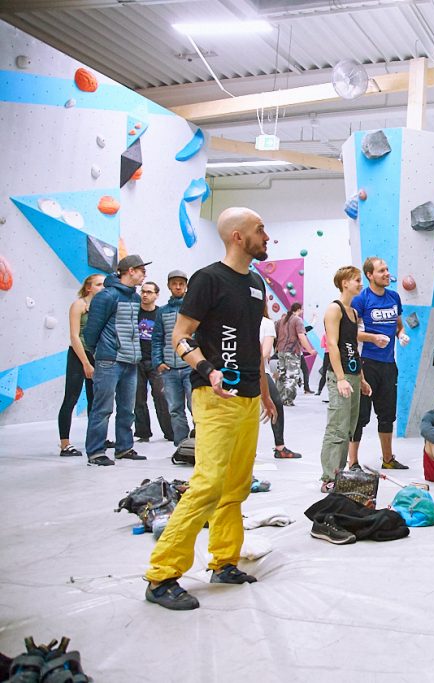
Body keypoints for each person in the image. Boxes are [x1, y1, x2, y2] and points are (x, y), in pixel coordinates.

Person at [144, 207, 277, 611]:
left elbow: (252, 343)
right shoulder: (208, 279)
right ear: (238, 236)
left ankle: (224, 561)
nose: (266, 236)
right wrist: (208, 369)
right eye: (260, 229)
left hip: (250, 398)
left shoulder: (255, 282)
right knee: (208, 485)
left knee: (236, 486)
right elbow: (180, 337)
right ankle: (162, 574)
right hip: (214, 398)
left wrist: (265, 393)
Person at [82, 255, 149, 465]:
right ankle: (95, 451)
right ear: (130, 271)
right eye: (141, 271)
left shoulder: (135, 298)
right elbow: (91, 331)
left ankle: (124, 447)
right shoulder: (106, 296)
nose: (144, 275)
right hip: (109, 359)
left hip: (131, 360)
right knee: (102, 408)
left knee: (127, 408)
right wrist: (100, 352)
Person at [350, 257, 410, 470]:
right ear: (370, 275)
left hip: (388, 364)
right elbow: (352, 333)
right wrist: (373, 338)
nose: (386, 273)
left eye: (387, 269)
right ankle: (353, 462)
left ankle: (388, 459)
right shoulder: (361, 299)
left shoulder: (394, 297)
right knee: (361, 416)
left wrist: (401, 335)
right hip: (367, 364)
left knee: (387, 415)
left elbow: (398, 325)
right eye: (381, 270)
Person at [319, 266, 372, 492]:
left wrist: (361, 378)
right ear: (345, 283)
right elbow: (333, 344)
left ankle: (339, 473)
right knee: (337, 428)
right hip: (339, 376)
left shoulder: (353, 312)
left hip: (353, 374)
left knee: (349, 427)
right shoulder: (335, 309)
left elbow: (353, 348)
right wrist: (340, 378)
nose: (361, 284)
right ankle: (328, 477)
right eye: (357, 280)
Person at [56, 274, 104, 457]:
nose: (102, 287)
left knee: (95, 401)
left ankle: (95, 439)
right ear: (88, 288)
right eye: (98, 284)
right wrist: (85, 362)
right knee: (71, 398)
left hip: (96, 356)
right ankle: (64, 444)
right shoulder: (78, 305)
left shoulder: (101, 307)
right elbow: (74, 336)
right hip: (78, 355)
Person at [154, 270, 193, 447]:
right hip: (169, 369)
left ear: (186, 286)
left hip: (190, 367)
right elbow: (157, 339)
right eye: (174, 283)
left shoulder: (193, 308)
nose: (178, 286)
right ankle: (182, 446)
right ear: (169, 285)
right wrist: (158, 362)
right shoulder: (162, 312)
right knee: (175, 410)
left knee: (197, 408)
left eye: (181, 283)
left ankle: (201, 445)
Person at [260, 303, 302, 460]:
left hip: (260, 371)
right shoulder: (240, 319)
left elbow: (265, 352)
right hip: (240, 371)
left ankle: (280, 447)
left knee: (276, 403)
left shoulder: (268, 323)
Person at [134, 281, 174, 443]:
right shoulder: (135, 313)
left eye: (149, 292)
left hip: (156, 361)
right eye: (143, 291)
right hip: (137, 360)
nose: (145, 295)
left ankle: (170, 432)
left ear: (157, 295)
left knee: (161, 396)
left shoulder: (160, 314)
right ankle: (143, 433)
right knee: (138, 398)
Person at [275, 303, 316, 406]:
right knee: (292, 376)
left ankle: (279, 398)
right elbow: (301, 336)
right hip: (292, 352)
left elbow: (275, 336)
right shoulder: (297, 320)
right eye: (301, 310)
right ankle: (288, 399)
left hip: (280, 351)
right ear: (298, 309)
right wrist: (310, 350)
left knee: (282, 375)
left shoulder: (281, 321)